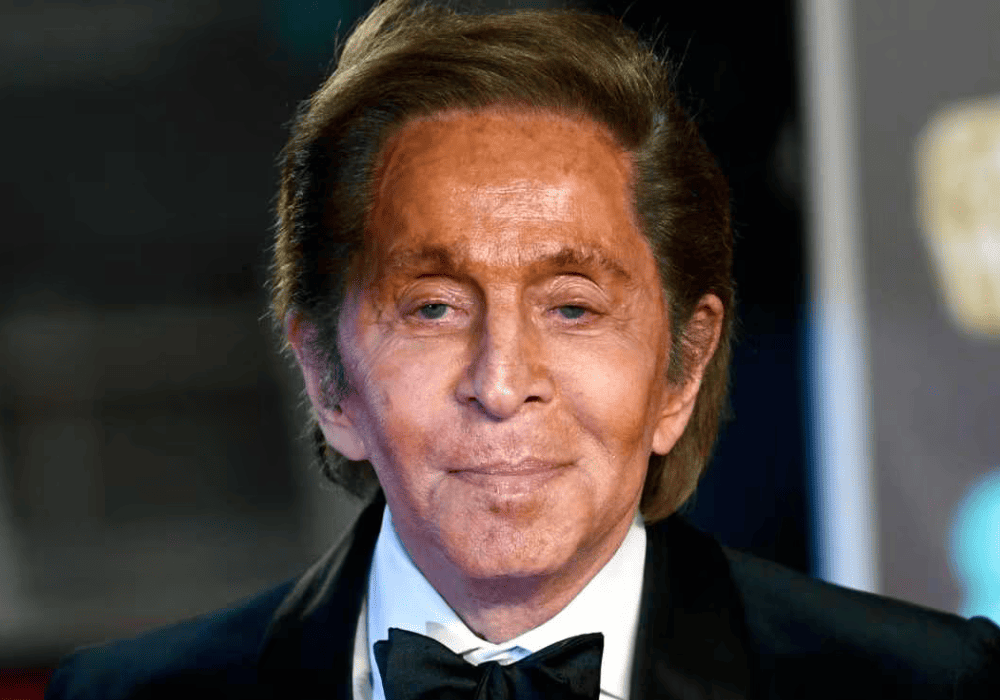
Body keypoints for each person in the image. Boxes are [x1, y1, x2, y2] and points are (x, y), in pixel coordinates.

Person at [46, 1, 1000, 698]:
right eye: (432, 308)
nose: (502, 384)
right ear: (327, 378)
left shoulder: (924, 688)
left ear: (682, 368)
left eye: (573, 308)